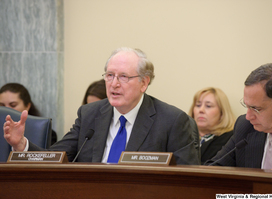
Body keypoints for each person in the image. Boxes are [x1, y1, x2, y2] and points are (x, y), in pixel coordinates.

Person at [3, 47, 200, 165]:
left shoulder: (172, 121)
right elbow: (57, 158)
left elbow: (187, 179)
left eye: (123, 77)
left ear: (144, 82)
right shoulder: (90, 114)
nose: (114, 84)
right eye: (109, 75)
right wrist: (21, 144)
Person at [205, 63, 272, 171]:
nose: (248, 117)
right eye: (247, 106)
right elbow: (214, 169)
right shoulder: (245, 127)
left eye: (256, 109)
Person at [189, 87, 235, 164]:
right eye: (198, 105)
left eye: (208, 106)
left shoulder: (230, 139)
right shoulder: (182, 136)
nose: (201, 110)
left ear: (222, 113)